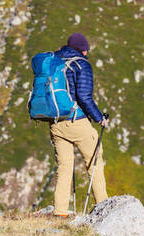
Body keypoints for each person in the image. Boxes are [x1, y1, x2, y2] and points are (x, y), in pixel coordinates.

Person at [50, 33, 108, 218]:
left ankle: (60, 213)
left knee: (64, 167)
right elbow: (84, 97)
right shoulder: (81, 64)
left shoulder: (54, 62)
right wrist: (99, 118)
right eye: (85, 49)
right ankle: (105, 209)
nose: (86, 52)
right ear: (81, 49)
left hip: (55, 121)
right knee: (94, 163)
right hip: (76, 121)